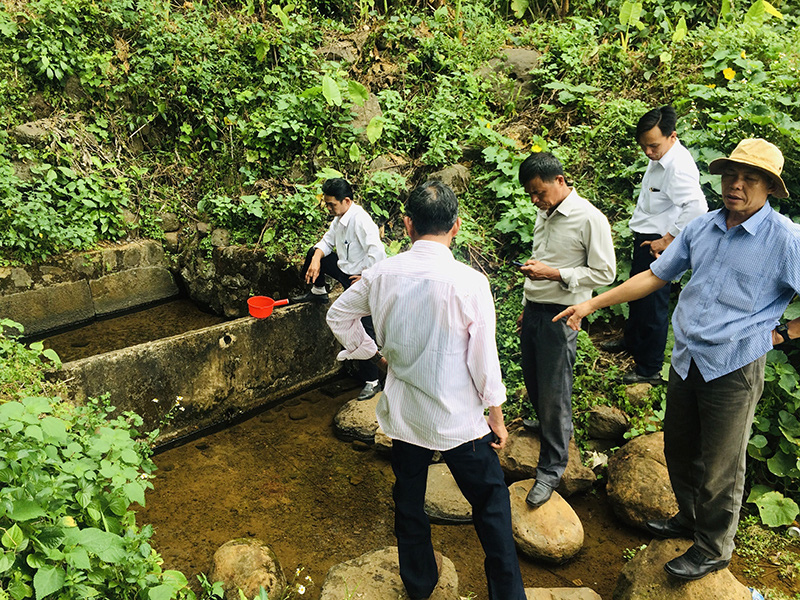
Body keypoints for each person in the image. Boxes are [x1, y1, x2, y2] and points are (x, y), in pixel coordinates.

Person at [554, 138, 800, 580]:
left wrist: (780, 334)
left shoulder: (785, 240)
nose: (736, 185)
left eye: (749, 178)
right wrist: (592, 304)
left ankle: (713, 548)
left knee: (722, 464)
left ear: (769, 188)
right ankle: (688, 519)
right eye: (730, 175)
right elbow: (654, 275)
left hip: (735, 365)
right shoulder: (703, 227)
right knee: (680, 449)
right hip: (687, 358)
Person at [326, 181, 526, 600]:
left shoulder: (381, 274)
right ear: (455, 227)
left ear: (406, 225)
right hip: (460, 424)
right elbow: (484, 362)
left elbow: (339, 314)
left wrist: (372, 355)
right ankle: (507, 595)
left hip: (406, 419)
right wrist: (496, 417)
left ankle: (419, 585)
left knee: (409, 503)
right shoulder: (470, 282)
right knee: (491, 507)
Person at [516, 152, 616, 509]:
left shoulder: (589, 218)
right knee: (533, 377)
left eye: (539, 192)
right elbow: (546, 260)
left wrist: (556, 274)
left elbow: (605, 274)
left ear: (559, 180)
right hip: (535, 309)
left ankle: (552, 467)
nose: (535, 200)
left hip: (564, 312)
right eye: (531, 194)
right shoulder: (545, 213)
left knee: (556, 388)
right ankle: (545, 424)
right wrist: (532, 292)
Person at [603, 106, 707, 385]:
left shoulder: (678, 166)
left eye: (653, 146)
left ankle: (648, 369)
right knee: (637, 297)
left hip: (661, 243)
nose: (648, 152)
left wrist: (668, 239)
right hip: (647, 236)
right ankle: (632, 342)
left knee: (652, 304)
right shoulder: (660, 156)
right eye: (644, 146)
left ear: (672, 137)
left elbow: (697, 207)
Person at [293, 177, 387, 401]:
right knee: (313, 253)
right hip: (344, 271)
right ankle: (318, 292)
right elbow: (326, 241)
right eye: (326, 204)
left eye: (331, 204)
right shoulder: (339, 218)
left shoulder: (362, 221)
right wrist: (316, 258)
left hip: (359, 279)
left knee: (364, 328)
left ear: (346, 200)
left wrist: (365, 276)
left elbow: (379, 254)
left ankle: (372, 380)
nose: (328, 208)